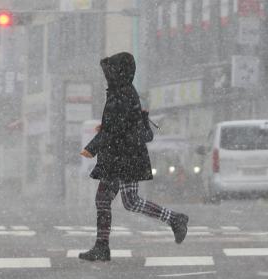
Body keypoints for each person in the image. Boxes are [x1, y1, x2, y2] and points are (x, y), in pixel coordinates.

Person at [78, 52, 189, 262]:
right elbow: (117, 126)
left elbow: (114, 129)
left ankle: (174, 219)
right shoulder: (122, 92)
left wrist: (93, 147)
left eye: (111, 71)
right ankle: (103, 246)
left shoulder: (123, 94)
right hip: (121, 155)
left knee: (121, 201)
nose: (107, 75)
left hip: (124, 156)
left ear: (120, 72)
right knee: (115, 200)